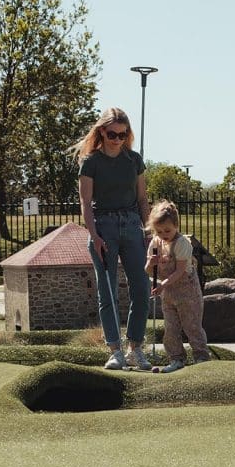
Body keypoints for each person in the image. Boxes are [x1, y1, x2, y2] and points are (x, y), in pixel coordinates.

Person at [72, 107, 152, 370]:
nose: (117, 139)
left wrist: (149, 233)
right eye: (112, 134)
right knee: (107, 291)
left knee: (141, 288)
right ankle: (115, 351)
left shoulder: (134, 160)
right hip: (103, 226)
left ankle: (135, 349)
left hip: (132, 225)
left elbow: (142, 199)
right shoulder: (91, 162)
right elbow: (85, 202)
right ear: (102, 132)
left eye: (122, 134)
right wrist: (93, 234)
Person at [145, 200, 211, 373]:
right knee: (171, 328)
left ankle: (201, 357)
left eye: (167, 230)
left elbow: (181, 271)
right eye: (159, 231)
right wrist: (151, 263)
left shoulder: (182, 243)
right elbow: (149, 271)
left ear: (176, 225)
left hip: (187, 292)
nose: (163, 234)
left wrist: (162, 285)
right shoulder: (155, 244)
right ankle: (176, 359)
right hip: (168, 294)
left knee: (192, 325)